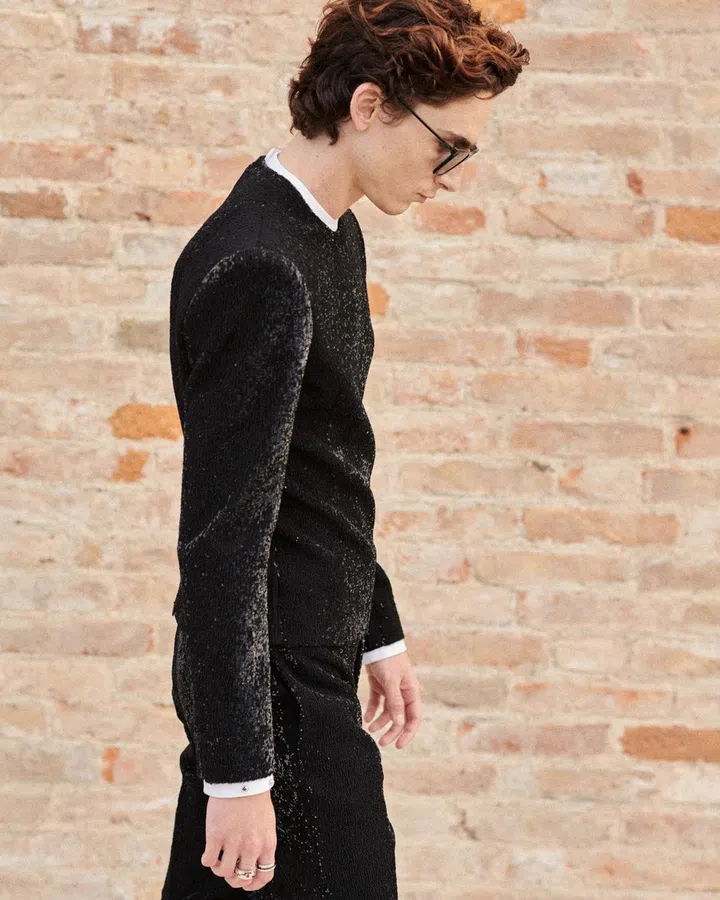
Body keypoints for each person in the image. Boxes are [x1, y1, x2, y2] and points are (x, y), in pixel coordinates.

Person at [161, 0, 529, 897]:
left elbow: (323, 464)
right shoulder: (260, 265)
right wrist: (239, 779)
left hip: (310, 671)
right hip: (278, 702)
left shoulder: (329, 234)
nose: (452, 179)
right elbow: (222, 541)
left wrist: (376, 626)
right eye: (449, 148)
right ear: (369, 106)